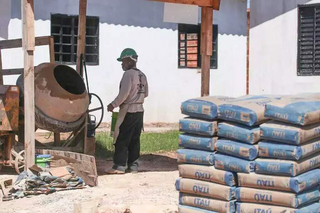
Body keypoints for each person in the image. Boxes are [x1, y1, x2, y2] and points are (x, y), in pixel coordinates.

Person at [105, 48, 148, 174]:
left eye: (123, 61)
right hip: (140, 111)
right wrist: (137, 98)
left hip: (129, 110)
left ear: (130, 60)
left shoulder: (128, 74)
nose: (122, 64)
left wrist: (113, 104)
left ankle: (119, 166)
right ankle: (133, 165)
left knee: (122, 138)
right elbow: (146, 93)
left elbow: (124, 94)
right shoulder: (142, 75)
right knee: (135, 139)